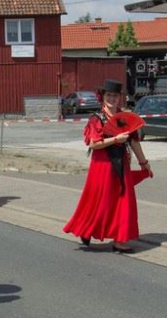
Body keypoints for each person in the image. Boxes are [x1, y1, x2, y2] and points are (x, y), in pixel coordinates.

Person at [63, 79, 152, 253]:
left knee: (124, 201)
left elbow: (134, 143)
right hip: (102, 165)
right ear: (103, 97)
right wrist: (115, 140)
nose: (112, 98)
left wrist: (144, 163)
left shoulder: (125, 118)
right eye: (109, 95)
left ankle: (120, 239)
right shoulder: (96, 119)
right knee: (100, 201)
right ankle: (87, 229)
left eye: (115, 95)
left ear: (120, 98)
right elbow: (93, 144)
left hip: (121, 164)